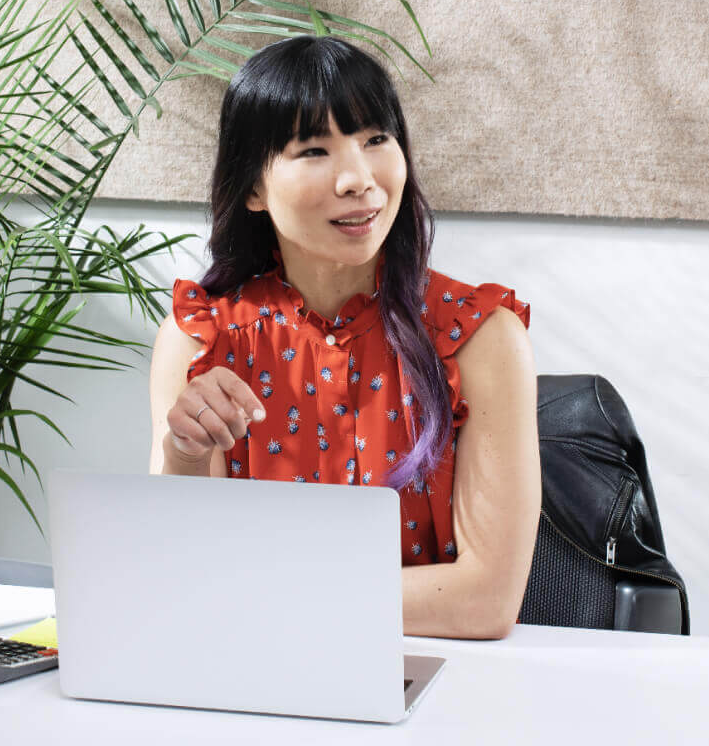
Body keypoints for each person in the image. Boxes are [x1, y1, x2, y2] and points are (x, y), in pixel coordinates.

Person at [145, 35, 540, 640]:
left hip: (432, 682)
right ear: (253, 188)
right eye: (313, 149)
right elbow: (176, 574)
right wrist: (187, 455)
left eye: (376, 139)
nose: (359, 177)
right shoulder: (202, 337)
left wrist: (259, 588)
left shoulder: (479, 335)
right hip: (249, 671)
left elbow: (484, 601)